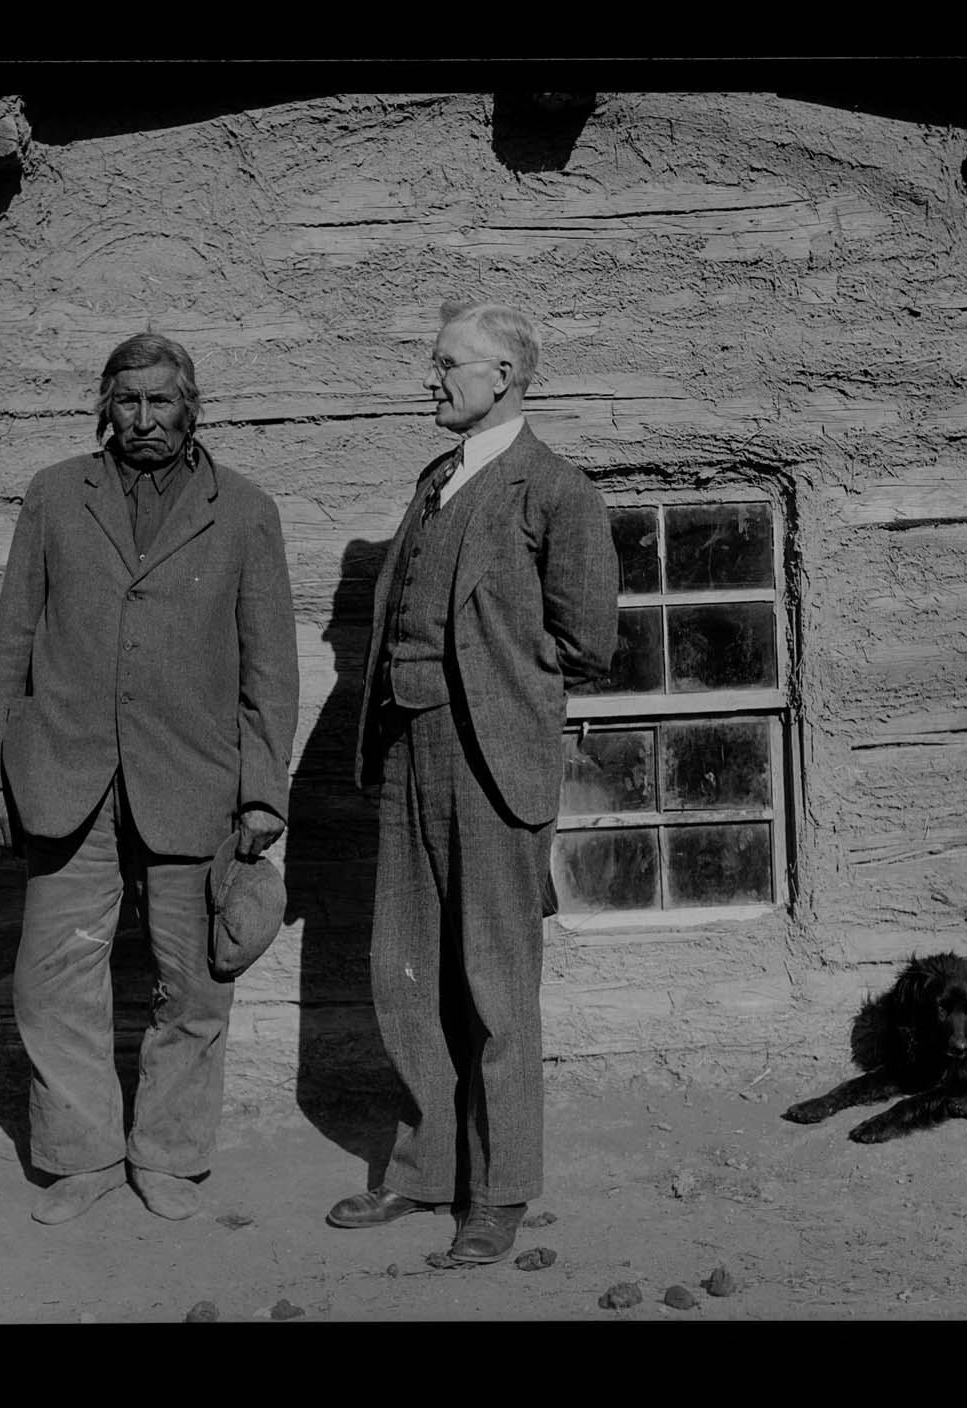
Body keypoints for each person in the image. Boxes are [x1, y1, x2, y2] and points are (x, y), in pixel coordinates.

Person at [0, 333, 298, 1225]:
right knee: (53, 982)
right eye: (128, 402)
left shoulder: (242, 511)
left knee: (192, 985)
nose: (144, 420)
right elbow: (10, 640)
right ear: (104, 406)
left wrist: (264, 789)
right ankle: (80, 1161)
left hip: (192, 780)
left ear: (192, 406)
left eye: (162, 402)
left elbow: (271, 668)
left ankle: (168, 1156)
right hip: (66, 772)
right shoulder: (53, 496)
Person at [326, 301, 618, 1263]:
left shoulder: (555, 490)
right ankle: (426, 1170)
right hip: (408, 749)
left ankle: (499, 1192)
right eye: (435, 362)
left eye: (449, 363)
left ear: (504, 376)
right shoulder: (434, 482)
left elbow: (588, 642)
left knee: (495, 985)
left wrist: (500, 688)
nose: (432, 377)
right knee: (405, 973)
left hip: (492, 758)